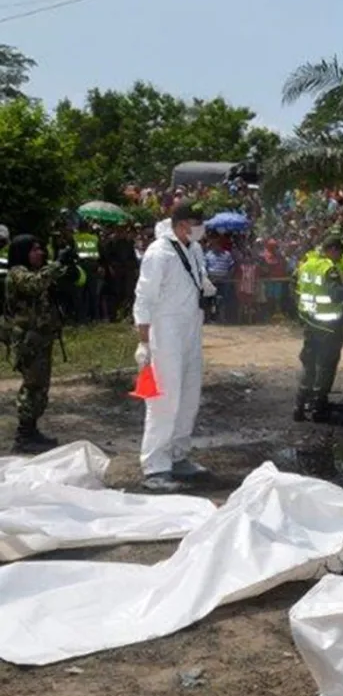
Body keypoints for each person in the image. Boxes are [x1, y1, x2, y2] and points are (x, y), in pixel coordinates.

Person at [132, 204, 210, 492]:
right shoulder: (159, 252)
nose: (200, 228)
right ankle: (155, 466)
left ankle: (178, 455)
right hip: (165, 331)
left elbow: (194, 280)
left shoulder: (195, 249)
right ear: (180, 224)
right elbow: (144, 297)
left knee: (189, 394)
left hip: (191, 327)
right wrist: (143, 340)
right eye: (195, 223)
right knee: (164, 397)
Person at [3, 235, 63, 452]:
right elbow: (34, 285)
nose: (40, 253)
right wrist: (56, 266)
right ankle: (24, 436)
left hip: (41, 338)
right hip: (28, 340)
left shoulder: (35, 272)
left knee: (40, 387)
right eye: (35, 250)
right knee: (32, 387)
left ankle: (32, 430)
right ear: (23, 252)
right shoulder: (17, 273)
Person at [294, 235, 343, 422]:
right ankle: (319, 407)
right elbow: (336, 296)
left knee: (309, 362)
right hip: (329, 325)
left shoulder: (306, 264)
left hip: (310, 322)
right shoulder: (329, 269)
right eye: (338, 253)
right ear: (332, 250)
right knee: (326, 365)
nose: (339, 258)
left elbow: (294, 289)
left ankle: (300, 405)